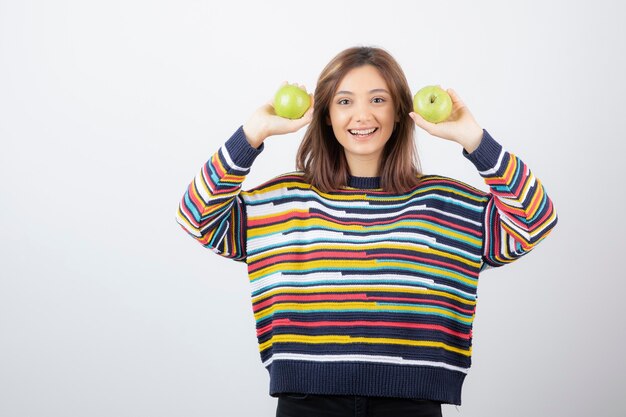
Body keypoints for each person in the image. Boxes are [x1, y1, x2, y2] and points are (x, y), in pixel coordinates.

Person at [176, 46, 557, 417]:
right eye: (344, 101)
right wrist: (253, 133)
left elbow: (535, 219)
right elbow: (196, 216)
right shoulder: (283, 201)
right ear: (325, 114)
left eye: (378, 100)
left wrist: (474, 140)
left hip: (413, 405)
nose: (361, 115)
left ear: (399, 112)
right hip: (305, 404)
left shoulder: (446, 203)